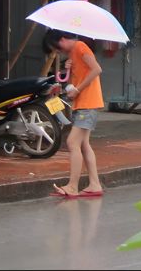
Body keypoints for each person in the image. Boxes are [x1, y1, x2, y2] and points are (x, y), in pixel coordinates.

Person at [45, 30, 105, 198]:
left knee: (72, 142)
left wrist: (78, 89)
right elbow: (79, 79)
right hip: (83, 103)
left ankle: (72, 186)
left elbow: (96, 69)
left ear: (62, 39)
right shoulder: (73, 53)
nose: (58, 51)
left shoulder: (80, 46)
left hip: (88, 103)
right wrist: (69, 75)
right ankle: (94, 184)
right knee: (84, 145)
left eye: (58, 47)